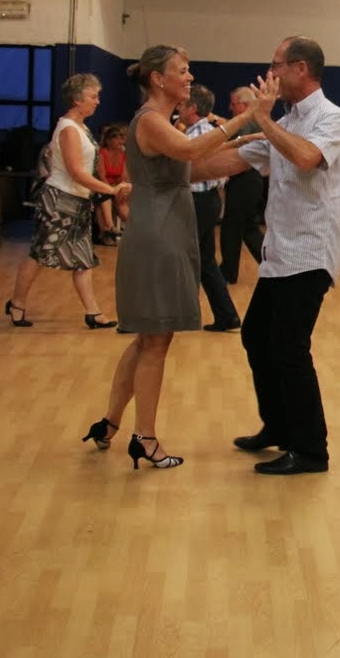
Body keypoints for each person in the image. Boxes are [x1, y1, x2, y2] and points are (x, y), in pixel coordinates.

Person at [80, 47, 266, 470]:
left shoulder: (159, 123)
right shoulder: (150, 120)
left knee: (147, 338)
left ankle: (110, 423)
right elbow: (190, 153)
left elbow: (193, 168)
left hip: (165, 232)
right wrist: (246, 119)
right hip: (158, 237)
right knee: (156, 341)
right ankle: (145, 437)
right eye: (182, 71)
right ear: (157, 79)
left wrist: (247, 145)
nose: (189, 77)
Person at [187, 37, 340, 477]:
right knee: (257, 336)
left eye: (276, 65)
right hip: (281, 253)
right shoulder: (287, 120)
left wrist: (261, 118)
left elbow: (305, 157)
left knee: (289, 348)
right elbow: (231, 161)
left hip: (311, 252)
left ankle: (311, 450)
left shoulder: (332, 117)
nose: (270, 73)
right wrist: (166, 173)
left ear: (300, 68)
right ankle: (277, 425)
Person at [4, 74, 132, 330]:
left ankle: (93, 313)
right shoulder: (68, 129)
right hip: (59, 201)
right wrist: (109, 189)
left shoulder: (81, 127)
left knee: (83, 259)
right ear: (76, 99)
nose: (97, 101)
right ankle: (17, 303)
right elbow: (76, 171)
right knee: (39, 254)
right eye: (93, 96)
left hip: (78, 200)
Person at [180, 85, 241, 333]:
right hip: (209, 200)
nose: (178, 109)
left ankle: (183, 316)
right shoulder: (209, 132)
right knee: (205, 260)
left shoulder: (197, 135)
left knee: (186, 258)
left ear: (192, 108)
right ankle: (227, 316)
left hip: (196, 200)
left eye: (182, 104)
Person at [218, 86, 266, 282]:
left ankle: (228, 273)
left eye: (233, 104)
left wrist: (218, 122)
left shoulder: (249, 122)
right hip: (250, 180)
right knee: (248, 228)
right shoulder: (253, 121)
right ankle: (272, 267)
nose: (230, 107)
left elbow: (238, 142)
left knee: (231, 227)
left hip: (245, 180)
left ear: (245, 105)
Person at [93, 123, 128, 244]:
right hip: (102, 185)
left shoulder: (124, 155)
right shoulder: (101, 153)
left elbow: (124, 177)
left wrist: (119, 190)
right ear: (108, 140)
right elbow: (102, 177)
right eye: (116, 138)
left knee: (122, 204)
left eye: (122, 138)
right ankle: (110, 227)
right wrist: (112, 190)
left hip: (117, 186)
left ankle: (134, 231)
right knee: (105, 196)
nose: (120, 141)